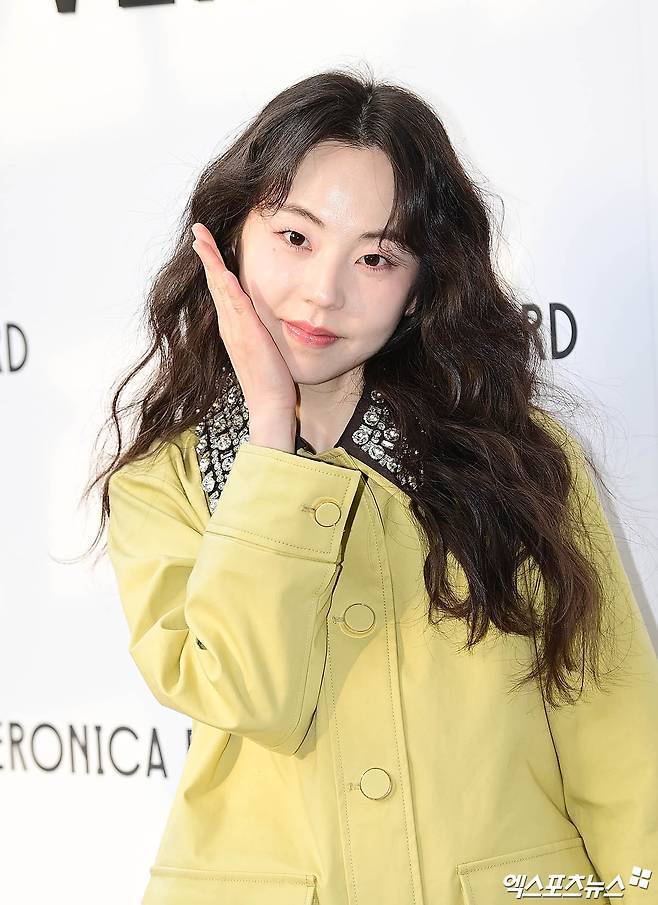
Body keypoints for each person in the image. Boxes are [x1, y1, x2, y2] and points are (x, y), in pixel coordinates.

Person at [89, 67, 658, 904]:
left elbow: (621, 746)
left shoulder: (522, 461)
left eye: (376, 256)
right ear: (230, 238)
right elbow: (251, 696)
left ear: (421, 284)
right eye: (296, 237)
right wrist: (270, 436)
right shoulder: (164, 485)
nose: (325, 291)